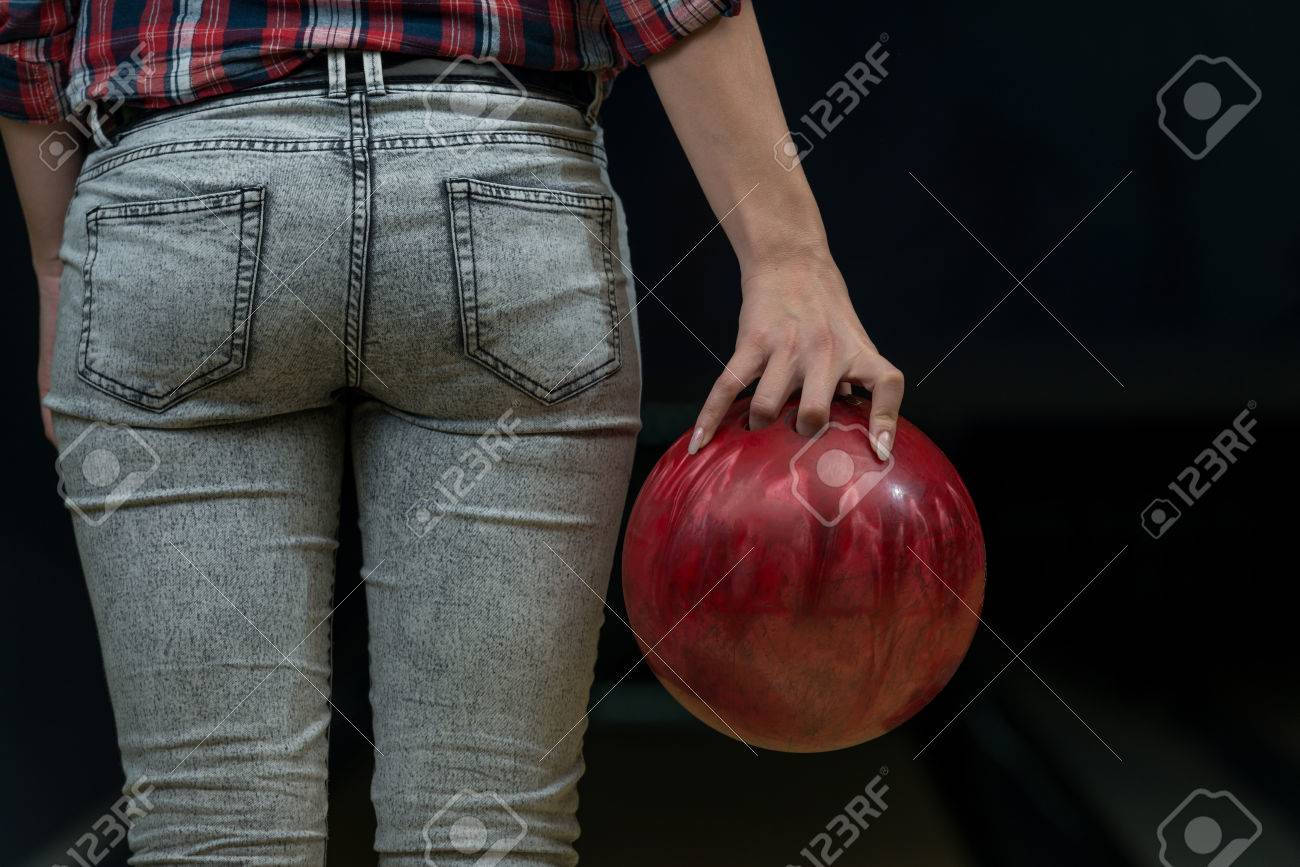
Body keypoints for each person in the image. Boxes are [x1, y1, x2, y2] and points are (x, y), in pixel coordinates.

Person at [1, 0, 904, 863]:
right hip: (502, 192)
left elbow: (25, 35)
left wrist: (56, 273)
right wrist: (788, 256)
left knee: (210, 828)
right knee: (489, 832)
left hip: (179, 204)